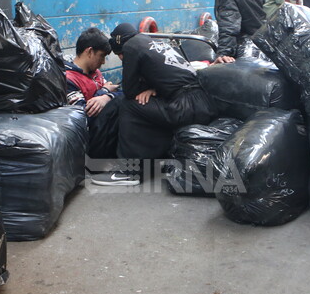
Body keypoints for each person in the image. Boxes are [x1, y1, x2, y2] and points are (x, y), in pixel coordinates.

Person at [99, 23, 215, 184]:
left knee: (128, 105)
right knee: (149, 105)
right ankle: (156, 156)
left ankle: (129, 171)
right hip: (200, 103)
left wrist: (146, 89)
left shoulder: (131, 47)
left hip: (184, 106)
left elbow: (130, 91)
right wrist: (152, 88)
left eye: (120, 55)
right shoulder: (153, 42)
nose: (121, 58)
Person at [65, 28, 123, 159]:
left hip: (106, 131)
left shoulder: (96, 73)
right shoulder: (69, 79)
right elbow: (84, 116)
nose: (103, 62)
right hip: (90, 141)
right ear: (90, 52)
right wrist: (105, 92)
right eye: (102, 56)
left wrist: (106, 97)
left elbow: (118, 92)